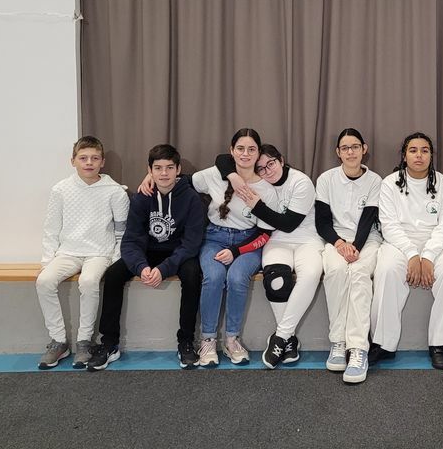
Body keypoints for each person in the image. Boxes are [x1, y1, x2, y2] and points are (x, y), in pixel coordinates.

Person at [87, 144, 204, 371]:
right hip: (147, 252)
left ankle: (186, 341)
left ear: (178, 169)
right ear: (149, 170)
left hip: (179, 253)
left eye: (169, 167)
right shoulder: (142, 198)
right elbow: (131, 240)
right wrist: (141, 267)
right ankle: (109, 343)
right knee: (113, 274)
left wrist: (164, 268)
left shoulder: (191, 199)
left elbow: (191, 244)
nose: (164, 173)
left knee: (192, 274)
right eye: (158, 168)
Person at [218, 144, 323, 369]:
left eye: (271, 164)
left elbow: (288, 224)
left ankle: (280, 337)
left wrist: (256, 206)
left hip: (307, 240)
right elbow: (222, 159)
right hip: (276, 241)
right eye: (261, 168)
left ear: (281, 160)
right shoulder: (259, 182)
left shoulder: (300, 181)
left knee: (311, 275)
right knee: (276, 280)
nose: (267, 171)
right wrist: (233, 176)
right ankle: (290, 340)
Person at [370, 132, 443, 370]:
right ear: (404, 156)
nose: (419, 155)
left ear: (431, 155)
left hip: (437, 242)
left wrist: (428, 256)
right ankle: (383, 343)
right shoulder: (389, 183)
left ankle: (440, 343)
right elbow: (389, 225)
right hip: (399, 243)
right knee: (387, 270)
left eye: (425, 150)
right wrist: (413, 255)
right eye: (413, 150)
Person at [36, 136, 129, 369]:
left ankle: (84, 341)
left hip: (99, 253)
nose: (89, 163)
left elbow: (122, 231)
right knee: (44, 281)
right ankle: (58, 341)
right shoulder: (60, 190)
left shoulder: (115, 191)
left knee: (88, 282)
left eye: (94, 158)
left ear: (102, 162)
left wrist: (115, 259)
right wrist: (47, 261)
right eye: (83, 158)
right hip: (67, 253)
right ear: (73, 161)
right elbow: (51, 228)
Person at [190, 129, 279, 366]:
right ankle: (208, 340)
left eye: (251, 149)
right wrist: (149, 178)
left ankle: (232, 339)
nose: (245, 154)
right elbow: (185, 181)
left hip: (247, 243)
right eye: (240, 148)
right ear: (232, 151)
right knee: (214, 276)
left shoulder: (266, 188)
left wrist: (237, 251)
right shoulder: (214, 174)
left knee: (238, 277)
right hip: (214, 238)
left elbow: (264, 234)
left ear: (258, 153)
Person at [315, 128, 382, 383]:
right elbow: (322, 222)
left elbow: (368, 220)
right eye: (345, 148)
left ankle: (358, 349)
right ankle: (338, 342)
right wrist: (340, 244)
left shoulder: (375, 180)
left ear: (364, 149)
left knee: (359, 274)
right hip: (336, 239)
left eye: (355, 147)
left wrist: (355, 247)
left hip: (367, 239)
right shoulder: (326, 179)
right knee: (335, 271)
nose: (351, 152)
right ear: (338, 152)